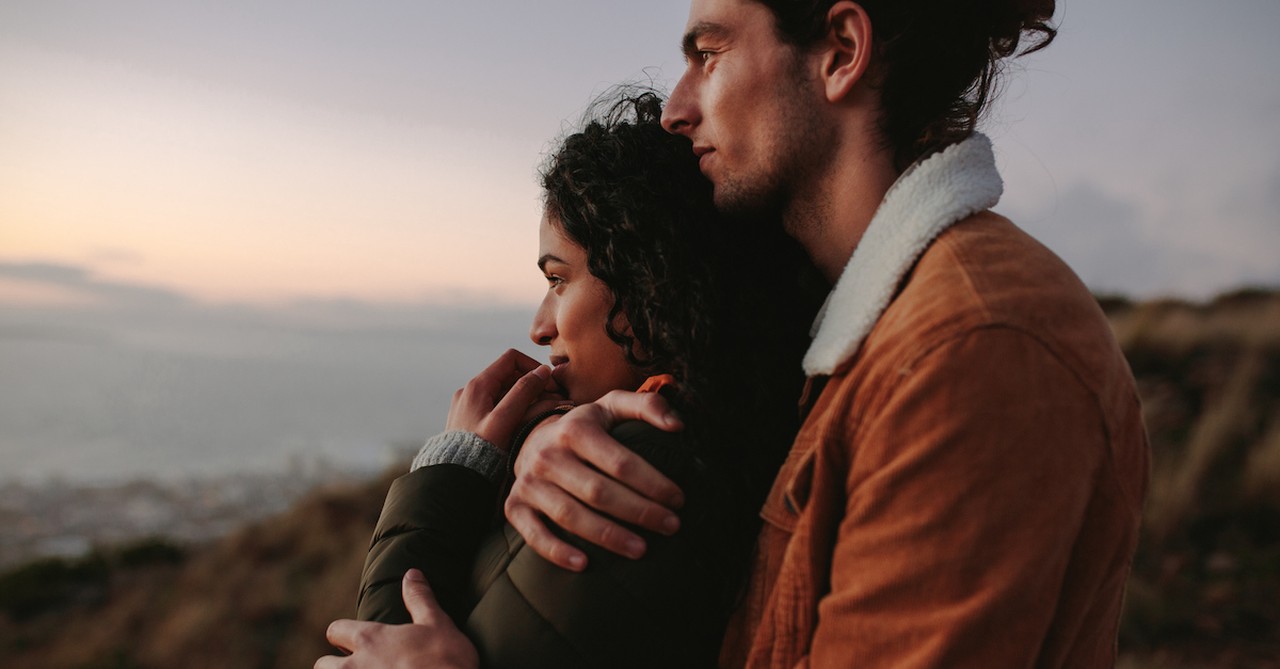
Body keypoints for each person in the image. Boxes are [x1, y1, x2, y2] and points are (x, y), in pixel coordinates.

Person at [499, 0, 1151, 667]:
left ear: (841, 51)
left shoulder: (973, 350)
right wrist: (560, 434)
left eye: (709, 54)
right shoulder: (847, 326)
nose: (676, 108)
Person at [317, 91, 822, 669]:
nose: (538, 327)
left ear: (648, 282)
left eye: (558, 280)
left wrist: (451, 468)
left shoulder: (630, 471)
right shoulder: (716, 428)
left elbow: (382, 644)